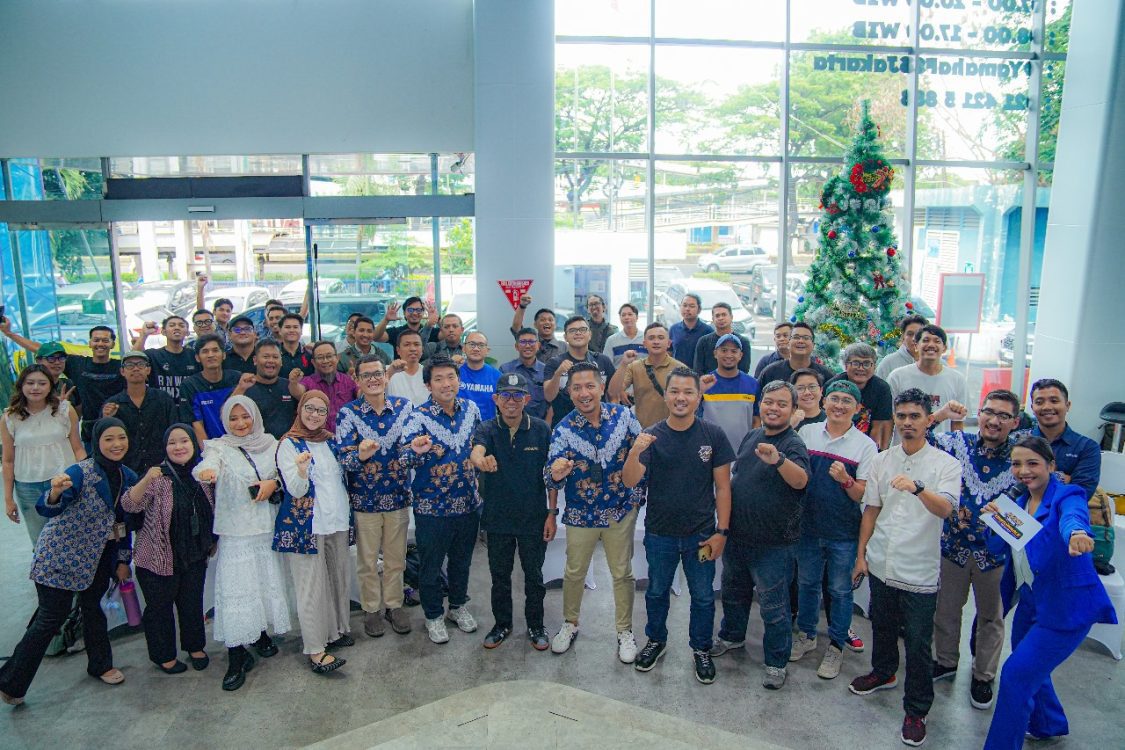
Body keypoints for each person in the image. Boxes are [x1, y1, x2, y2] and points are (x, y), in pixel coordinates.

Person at [981, 437, 1117, 749]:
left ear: (1051, 466)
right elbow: (996, 548)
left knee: (1015, 675)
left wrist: (1077, 533)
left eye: (1032, 463)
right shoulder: (1017, 503)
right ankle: (1048, 724)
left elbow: (1073, 517)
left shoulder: (1067, 494)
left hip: (1066, 608)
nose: (1024, 471)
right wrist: (993, 520)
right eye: (1017, 464)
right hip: (1031, 602)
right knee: (1031, 668)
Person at [848, 388, 961, 748]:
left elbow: (945, 509)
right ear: (894, 419)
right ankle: (883, 672)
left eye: (915, 416)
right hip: (882, 559)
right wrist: (861, 555)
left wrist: (918, 488)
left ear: (929, 420)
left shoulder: (945, 465)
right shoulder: (882, 460)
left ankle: (917, 709)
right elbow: (871, 510)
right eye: (902, 416)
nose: (908, 422)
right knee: (881, 624)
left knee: (916, 641)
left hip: (919, 568)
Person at [0, 418, 135, 705]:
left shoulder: (129, 476)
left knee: (93, 611)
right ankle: (11, 683)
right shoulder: (81, 471)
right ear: (96, 441)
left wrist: (123, 559)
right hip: (60, 556)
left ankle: (100, 665)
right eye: (109, 439)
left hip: (97, 558)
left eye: (121, 437)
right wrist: (54, 492)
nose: (116, 444)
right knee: (51, 618)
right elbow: (47, 507)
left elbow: (125, 523)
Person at [624, 368, 733, 684]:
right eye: (675, 391)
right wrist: (635, 450)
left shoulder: (713, 435)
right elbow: (630, 480)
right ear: (666, 396)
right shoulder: (652, 435)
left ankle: (701, 648)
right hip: (660, 534)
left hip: (702, 535)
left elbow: (723, 488)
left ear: (699, 397)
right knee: (657, 591)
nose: (681, 398)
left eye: (688, 392)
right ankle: (656, 640)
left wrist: (722, 532)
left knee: (703, 596)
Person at [546, 362, 643, 663]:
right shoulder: (563, 429)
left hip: (619, 510)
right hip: (581, 514)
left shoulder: (625, 417)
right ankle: (570, 623)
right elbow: (550, 475)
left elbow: (644, 453)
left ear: (601, 388)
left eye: (590, 386)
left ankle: (624, 631)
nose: (584, 393)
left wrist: (636, 496)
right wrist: (556, 473)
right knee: (574, 572)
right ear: (569, 392)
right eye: (577, 388)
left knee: (622, 573)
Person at [716, 381, 810, 690]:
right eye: (769, 402)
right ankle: (732, 636)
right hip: (739, 537)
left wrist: (779, 460)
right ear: (760, 404)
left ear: (793, 410)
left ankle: (776, 662)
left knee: (774, 607)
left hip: (774, 545)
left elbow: (801, 481)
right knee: (733, 594)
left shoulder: (793, 444)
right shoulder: (752, 436)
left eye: (782, 404)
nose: (774, 408)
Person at [930, 390, 1021, 711]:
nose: (994, 421)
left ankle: (984, 675)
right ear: (979, 414)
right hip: (952, 547)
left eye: (1004, 416)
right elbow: (920, 435)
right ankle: (945, 661)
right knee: (946, 609)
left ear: (1015, 422)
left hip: (995, 555)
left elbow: (1042, 484)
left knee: (991, 617)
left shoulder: (1021, 456)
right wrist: (942, 415)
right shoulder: (959, 444)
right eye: (989, 412)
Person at [193, 396, 290, 692]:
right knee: (238, 590)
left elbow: (283, 472)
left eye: (245, 416)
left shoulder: (271, 444)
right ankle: (236, 655)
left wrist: (274, 483)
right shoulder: (219, 447)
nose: (240, 423)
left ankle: (260, 634)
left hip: (265, 528)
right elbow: (206, 466)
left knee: (262, 584)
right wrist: (206, 473)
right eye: (233, 418)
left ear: (255, 416)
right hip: (236, 533)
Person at [789, 380, 877, 680]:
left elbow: (863, 495)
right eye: (834, 399)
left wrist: (845, 480)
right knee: (807, 584)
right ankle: (807, 635)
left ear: (857, 408)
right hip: (807, 528)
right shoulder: (807, 433)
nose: (839, 405)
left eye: (846, 401)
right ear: (824, 402)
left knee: (840, 590)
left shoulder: (865, 446)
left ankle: (837, 644)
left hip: (843, 533)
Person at [399, 357, 483, 644]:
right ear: (428, 385)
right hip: (432, 507)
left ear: (458, 380)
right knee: (431, 565)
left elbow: (480, 445)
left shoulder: (471, 409)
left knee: (462, 561)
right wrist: (416, 449)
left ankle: (457, 607)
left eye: (451, 377)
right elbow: (404, 457)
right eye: (438, 379)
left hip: (468, 503)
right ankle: (433, 615)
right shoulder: (417, 417)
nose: (446, 384)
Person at [120, 424, 214, 674]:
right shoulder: (157, 476)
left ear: (193, 444)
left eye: (184, 441)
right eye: (172, 443)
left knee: (192, 602)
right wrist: (146, 479)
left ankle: (195, 646)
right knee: (160, 609)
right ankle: (164, 656)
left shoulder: (202, 474)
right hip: (157, 557)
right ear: (164, 447)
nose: (179, 447)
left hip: (194, 554)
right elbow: (129, 504)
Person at [470, 372, 554, 650]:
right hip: (498, 519)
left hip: (533, 517)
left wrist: (552, 513)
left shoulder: (541, 430)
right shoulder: (487, 428)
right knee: (500, 577)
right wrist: (480, 460)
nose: (511, 401)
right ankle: (502, 624)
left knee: (534, 577)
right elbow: (476, 451)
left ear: (527, 399)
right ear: (496, 399)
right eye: (505, 395)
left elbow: (551, 475)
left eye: (518, 396)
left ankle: (536, 625)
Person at [274, 391, 353, 674]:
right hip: (305, 526)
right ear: (299, 409)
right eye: (309, 408)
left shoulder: (330, 441)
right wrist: (301, 471)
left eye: (321, 410)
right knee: (310, 588)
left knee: (336, 580)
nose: (314, 415)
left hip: (336, 521)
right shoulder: (288, 444)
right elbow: (295, 490)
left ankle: (335, 632)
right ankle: (316, 649)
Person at [335, 355, 415, 638]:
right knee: (367, 561)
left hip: (398, 496)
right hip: (364, 500)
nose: (373, 379)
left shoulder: (405, 408)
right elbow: (344, 459)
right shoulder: (348, 413)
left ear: (386, 376)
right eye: (366, 375)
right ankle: (371, 609)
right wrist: (360, 455)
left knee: (396, 558)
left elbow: (411, 450)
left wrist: (414, 451)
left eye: (377, 373)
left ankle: (394, 605)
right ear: (357, 380)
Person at [0, 321, 124, 450]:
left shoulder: (120, 366)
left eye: (105, 340)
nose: (100, 344)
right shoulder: (77, 364)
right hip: (90, 433)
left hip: (118, 425)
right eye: (96, 340)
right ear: (90, 343)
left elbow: (134, 365)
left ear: (112, 344)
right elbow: (41, 349)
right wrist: (9, 333)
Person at [2, 364, 83, 545]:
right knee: (41, 541)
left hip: (64, 480)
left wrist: (87, 479)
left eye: (42, 383)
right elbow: (8, 460)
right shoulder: (10, 417)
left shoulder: (64, 410)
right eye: (30, 383)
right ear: (21, 386)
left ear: (50, 386)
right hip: (28, 487)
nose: (36, 388)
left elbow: (77, 448)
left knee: (70, 538)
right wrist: (8, 499)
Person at [1024, 378, 1101, 499]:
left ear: (1067, 405)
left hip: (1064, 511)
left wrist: (1033, 480)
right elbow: (1011, 486)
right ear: (1032, 407)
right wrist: (1060, 478)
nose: (1047, 407)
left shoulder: (1087, 448)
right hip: (1019, 509)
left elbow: (1081, 494)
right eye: (1039, 402)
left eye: (1054, 401)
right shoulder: (1018, 442)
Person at [101, 350, 176, 475]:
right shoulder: (112, 404)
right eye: (130, 365)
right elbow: (104, 439)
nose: (136, 368)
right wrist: (106, 418)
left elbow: (174, 430)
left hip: (161, 469)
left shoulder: (163, 399)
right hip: (125, 471)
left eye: (141, 364)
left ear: (148, 370)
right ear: (122, 371)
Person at [886, 324, 968, 434]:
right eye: (925, 340)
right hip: (905, 443)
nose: (931, 345)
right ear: (916, 345)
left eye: (937, 341)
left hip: (941, 444)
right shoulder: (897, 377)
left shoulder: (957, 379)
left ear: (944, 348)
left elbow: (958, 422)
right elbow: (889, 420)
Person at [543, 315, 616, 428]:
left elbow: (614, 394)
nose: (578, 333)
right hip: (565, 427)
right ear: (565, 337)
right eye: (572, 330)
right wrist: (558, 374)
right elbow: (548, 396)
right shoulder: (554, 363)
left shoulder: (603, 361)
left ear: (590, 334)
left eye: (582, 329)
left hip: (599, 426)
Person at [608, 322, 685, 428]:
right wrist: (623, 364)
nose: (656, 342)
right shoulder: (634, 367)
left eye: (661, 338)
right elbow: (613, 392)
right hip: (642, 432)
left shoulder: (680, 369)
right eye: (651, 338)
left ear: (668, 343)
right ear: (644, 344)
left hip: (673, 431)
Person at [825, 342, 893, 450]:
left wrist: (871, 452)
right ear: (846, 365)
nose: (861, 368)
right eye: (856, 363)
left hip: (865, 444)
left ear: (874, 366)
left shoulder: (881, 388)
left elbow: (879, 425)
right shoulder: (834, 385)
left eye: (867, 363)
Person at [700, 334, 760, 451]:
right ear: (715, 353)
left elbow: (756, 419)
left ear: (740, 355)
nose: (728, 355)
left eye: (734, 351)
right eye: (724, 350)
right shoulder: (705, 383)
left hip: (743, 453)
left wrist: (751, 446)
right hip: (711, 453)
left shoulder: (752, 384)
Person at [178, 334, 242, 443]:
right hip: (207, 447)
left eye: (215, 350)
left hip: (238, 444)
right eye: (205, 351)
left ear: (224, 355)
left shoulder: (237, 378)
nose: (211, 355)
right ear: (197, 358)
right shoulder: (189, 385)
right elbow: (195, 424)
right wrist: (209, 451)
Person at [241, 339, 306, 439]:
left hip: (288, 444)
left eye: (275, 357)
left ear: (281, 361)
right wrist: (240, 389)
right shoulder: (245, 386)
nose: (271, 360)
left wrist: (294, 383)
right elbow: (226, 414)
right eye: (266, 357)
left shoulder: (289, 385)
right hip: (256, 444)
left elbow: (306, 402)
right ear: (255, 360)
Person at [135, 315, 200, 404]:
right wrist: (144, 334)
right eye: (172, 325)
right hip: (160, 407)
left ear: (187, 332)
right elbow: (133, 358)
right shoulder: (153, 355)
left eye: (181, 325)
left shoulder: (195, 356)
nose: (177, 328)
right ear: (163, 332)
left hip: (188, 408)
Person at [300, 341, 358, 433]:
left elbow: (362, 397)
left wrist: (361, 382)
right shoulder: (307, 382)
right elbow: (297, 392)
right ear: (313, 362)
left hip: (347, 436)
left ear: (337, 358)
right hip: (317, 436)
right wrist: (294, 382)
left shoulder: (349, 381)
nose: (325, 361)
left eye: (329, 356)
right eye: (320, 357)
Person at [758, 322, 834, 388]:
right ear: (788, 343)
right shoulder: (770, 372)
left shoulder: (825, 375)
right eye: (796, 337)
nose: (801, 341)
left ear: (813, 345)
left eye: (806, 338)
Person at [499, 327, 548, 420]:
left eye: (531, 342)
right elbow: (500, 400)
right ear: (516, 346)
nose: (527, 346)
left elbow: (551, 403)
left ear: (538, 345)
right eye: (523, 342)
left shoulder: (546, 370)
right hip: (511, 423)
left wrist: (546, 426)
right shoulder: (505, 369)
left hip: (539, 424)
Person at [693, 302, 751, 375]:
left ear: (731, 317)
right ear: (713, 319)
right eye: (717, 316)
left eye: (724, 315)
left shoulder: (743, 342)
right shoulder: (703, 341)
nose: (721, 318)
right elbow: (698, 370)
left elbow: (744, 369)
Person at [458, 332, 502, 421]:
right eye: (472, 344)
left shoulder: (497, 376)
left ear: (487, 350)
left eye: (481, 345)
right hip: (459, 426)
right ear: (464, 348)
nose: (476, 349)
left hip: (488, 427)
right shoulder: (454, 374)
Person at [510, 294, 562, 363]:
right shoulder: (529, 341)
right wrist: (522, 306)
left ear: (555, 325)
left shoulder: (564, 346)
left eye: (550, 320)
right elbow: (516, 328)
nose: (547, 322)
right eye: (542, 320)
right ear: (535, 325)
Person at [876, 315, 928, 380]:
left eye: (918, 334)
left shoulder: (934, 362)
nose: (914, 338)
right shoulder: (888, 363)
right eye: (910, 334)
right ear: (903, 337)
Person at [374, 296, 439, 349]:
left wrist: (437, 317)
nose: (414, 313)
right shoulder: (396, 332)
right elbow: (375, 337)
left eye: (418, 310)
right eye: (410, 310)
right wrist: (386, 320)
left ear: (423, 313)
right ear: (404, 313)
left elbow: (445, 334)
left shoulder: (431, 331)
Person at [386, 329, 429, 405]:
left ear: (422, 349)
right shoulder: (386, 371)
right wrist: (389, 373)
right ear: (398, 350)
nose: (412, 349)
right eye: (407, 345)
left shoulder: (429, 373)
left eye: (416, 344)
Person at [669, 293, 713, 364]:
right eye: (684, 305)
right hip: (677, 370)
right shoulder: (673, 329)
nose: (687, 309)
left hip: (699, 371)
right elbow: (669, 353)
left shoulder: (708, 331)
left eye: (692, 306)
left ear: (699, 309)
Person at [602, 302, 646, 367]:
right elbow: (606, 365)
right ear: (620, 318)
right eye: (623, 315)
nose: (626, 317)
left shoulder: (646, 338)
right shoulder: (611, 340)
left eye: (630, 314)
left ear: (637, 317)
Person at [277, 313, 314, 377]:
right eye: (287, 327)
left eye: (295, 327)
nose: (291, 330)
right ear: (280, 331)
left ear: (301, 331)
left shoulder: (310, 354)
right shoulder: (274, 354)